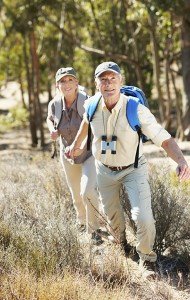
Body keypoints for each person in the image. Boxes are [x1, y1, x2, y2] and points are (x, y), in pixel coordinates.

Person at [65, 61, 190, 278]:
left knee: (143, 217)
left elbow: (164, 138)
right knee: (113, 218)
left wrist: (181, 161)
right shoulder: (92, 105)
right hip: (104, 170)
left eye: (113, 78)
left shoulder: (135, 109)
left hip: (133, 169)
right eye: (103, 79)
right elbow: (85, 124)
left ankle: (147, 260)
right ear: (96, 84)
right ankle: (122, 245)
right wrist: (75, 146)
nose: (108, 83)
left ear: (121, 81)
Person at [46, 67, 103, 245]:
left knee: (88, 191)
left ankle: (93, 231)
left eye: (70, 80)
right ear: (57, 85)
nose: (67, 84)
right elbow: (49, 118)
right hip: (67, 155)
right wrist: (52, 131)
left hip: (88, 153)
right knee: (76, 194)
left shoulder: (87, 101)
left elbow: (92, 126)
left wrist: (78, 145)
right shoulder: (54, 104)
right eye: (63, 81)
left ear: (77, 82)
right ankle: (81, 222)